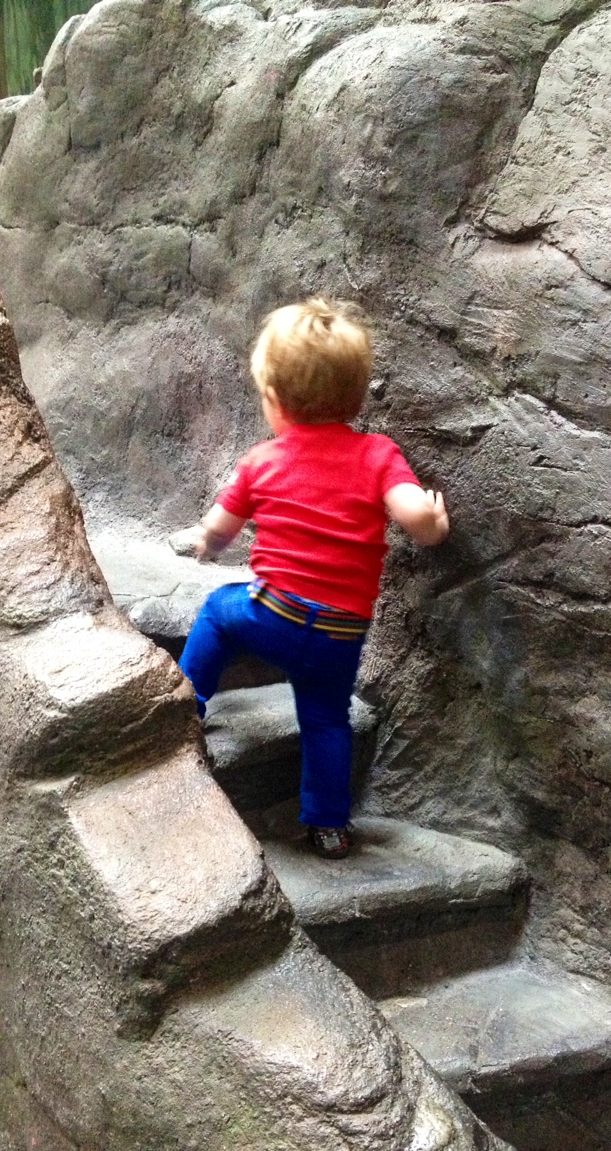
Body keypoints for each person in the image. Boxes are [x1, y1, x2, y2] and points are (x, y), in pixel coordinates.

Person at [178, 298, 450, 857]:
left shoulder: (262, 460)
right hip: (340, 633)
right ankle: (329, 826)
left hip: (272, 615)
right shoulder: (378, 455)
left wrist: (205, 543)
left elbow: (220, 528)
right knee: (327, 719)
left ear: (275, 401)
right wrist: (435, 520)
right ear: (355, 397)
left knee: (217, 610)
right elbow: (416, 519)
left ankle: (186, 708)